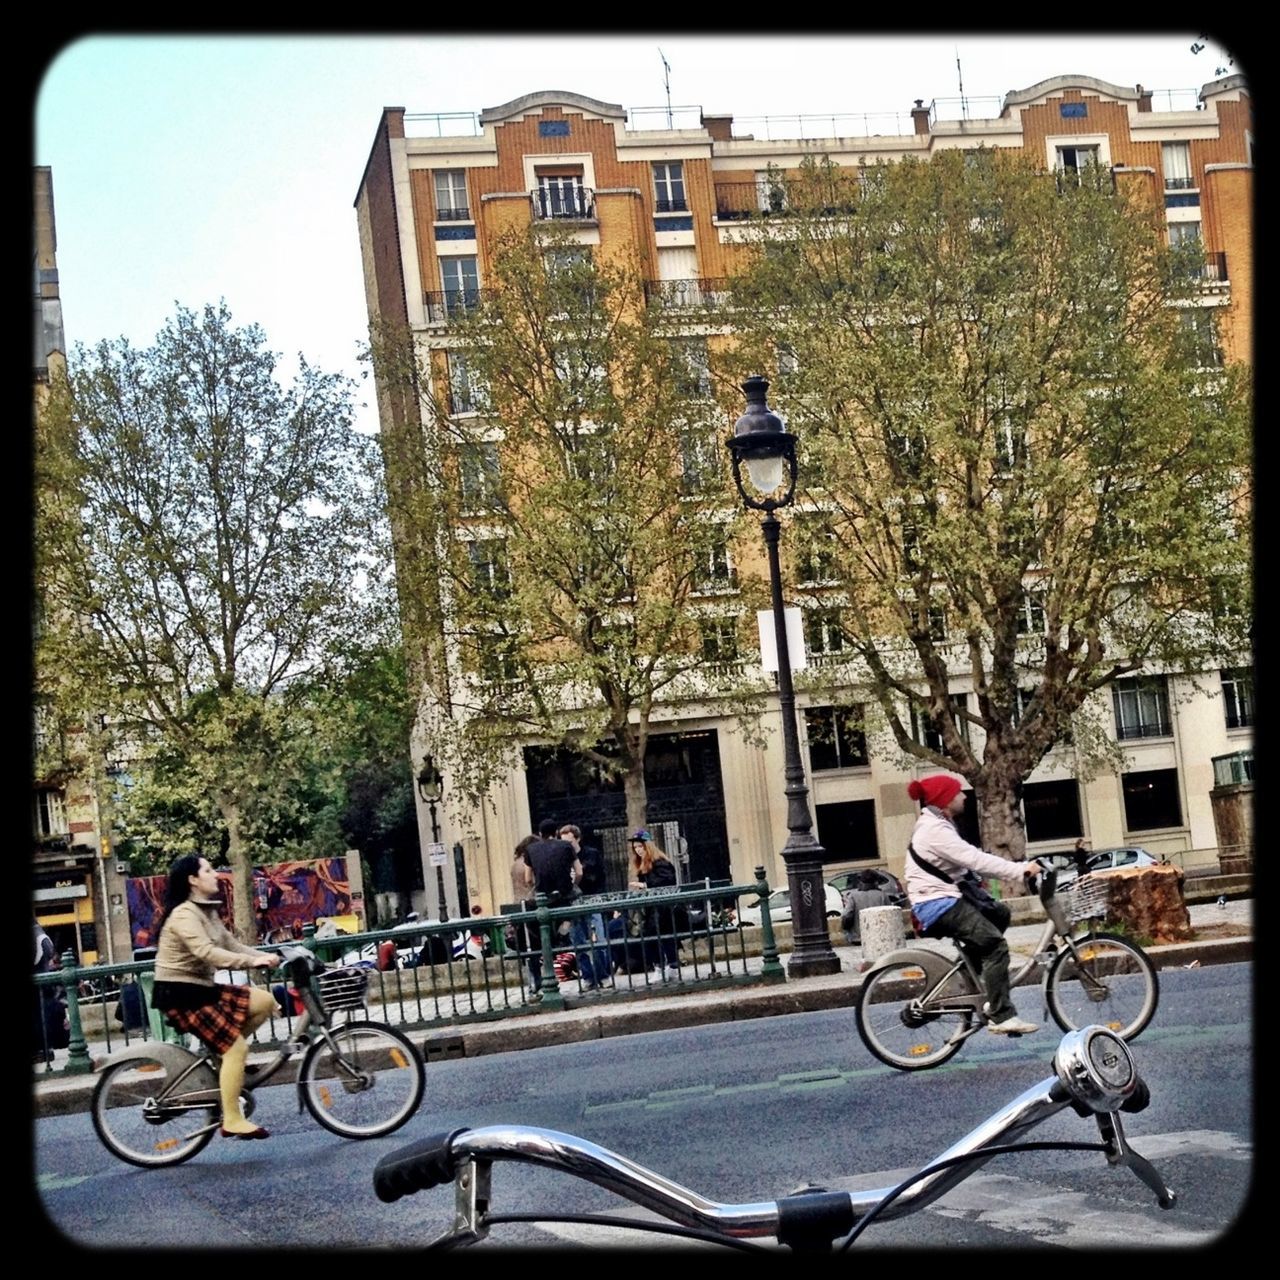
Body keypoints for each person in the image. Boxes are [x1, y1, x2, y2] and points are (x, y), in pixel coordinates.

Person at [150, 854, 279, 1138]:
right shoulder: (184, 914)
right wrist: (251, 963)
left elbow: (232, 945)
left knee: (265, 1001)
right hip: (181, 994)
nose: (216, 875)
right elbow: (206, 953)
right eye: (208, 870)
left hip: (200, 989)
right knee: (236, 1049)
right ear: (193, 880)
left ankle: (225, 1060)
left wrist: (268, 956)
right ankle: (232, 1119)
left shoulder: (205, 910)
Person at [904, 775, 1041, 1036]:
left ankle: (967, 981)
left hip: (944, 898)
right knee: (994, 945)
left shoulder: (938, 824)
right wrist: (1021, 870)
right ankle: (1001, 1015)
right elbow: (976, 860)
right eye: (958, 793)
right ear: (945, 800)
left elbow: (965, 864)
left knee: (999, 914)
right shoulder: (934, 830)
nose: (964, 796)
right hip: (937, 905)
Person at [526, 819, 599, 989]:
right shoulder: (565, 847)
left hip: (544, 899)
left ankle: (541, 980)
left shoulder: (531, 849)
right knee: (580, 937)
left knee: (540, 939)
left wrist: (537, 889)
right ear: (556, 832)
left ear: (539, 833)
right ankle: (565, 926)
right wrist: (573, 884)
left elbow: (528, 878)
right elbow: (579, 871)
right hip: (566, 895)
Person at [559, 824, 611, 984]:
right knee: (577, 941)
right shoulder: (562, 859)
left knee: (599, 940)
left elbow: (594, 876)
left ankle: (604, 975)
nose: (566, 846)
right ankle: (588, 976)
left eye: (569, 841)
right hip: (574, 904)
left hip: (591, 900)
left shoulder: (591, 854)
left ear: (578, 839)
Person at [627, 829, 680, 973]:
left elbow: (667, 880)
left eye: (640, 846)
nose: (638, 850)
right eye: (635, 847)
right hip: (654, 906)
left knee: (659, 935)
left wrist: (645, 885)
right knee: (657, 936)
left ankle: (667, 966)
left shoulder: (659, 861)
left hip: (663, 906)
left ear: (647, 846)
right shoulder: (644, 864)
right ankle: (665, 966)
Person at [510, 835, 542, 994]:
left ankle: (532, 982)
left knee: (527, 949)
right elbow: (531, 882)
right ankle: (540, 981)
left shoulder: (515, 864)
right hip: (530, 904)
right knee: (536, 945)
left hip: (517, 907)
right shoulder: (529, 863)